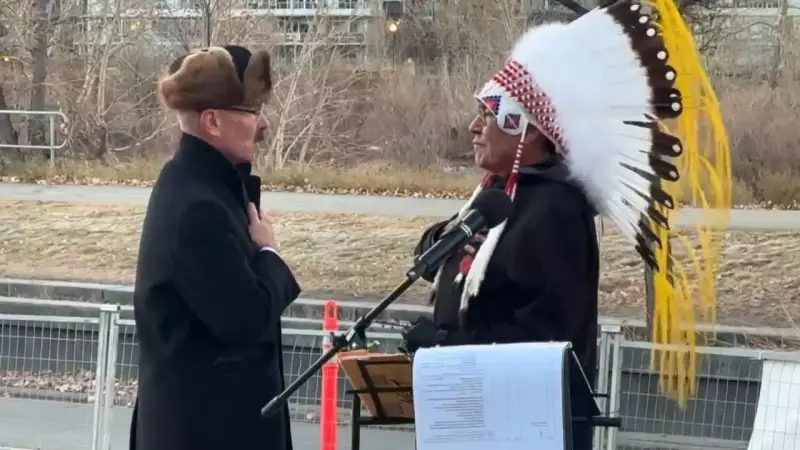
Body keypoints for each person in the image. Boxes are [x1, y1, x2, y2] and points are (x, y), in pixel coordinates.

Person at [401, 0, 731, 448]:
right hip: (480, 417)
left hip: (526, 427)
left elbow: (540, 337)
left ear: (530, 129)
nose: (473, 127)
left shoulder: (554, 212)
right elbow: (447, 256)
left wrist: (446, 346)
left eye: (488, 113)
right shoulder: (498, 199)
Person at [129, 45, 301, 450]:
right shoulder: (199, 208)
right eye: (252, 112)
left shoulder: (195, 187)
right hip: (207, 431)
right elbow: (245, 318)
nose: (264, 124)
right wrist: (269, 255)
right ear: (213, 121)